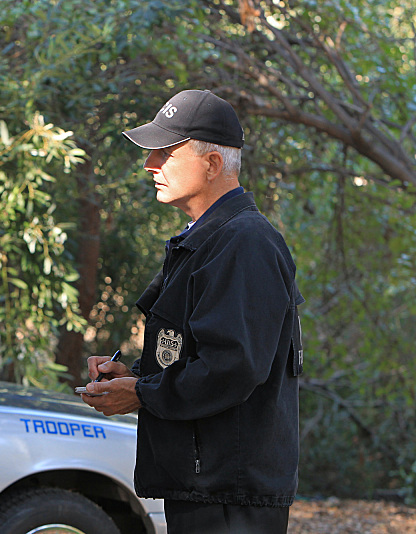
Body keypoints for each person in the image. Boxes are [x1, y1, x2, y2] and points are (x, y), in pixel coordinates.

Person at [80, 89, 304, 534]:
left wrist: (143, 395)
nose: (150, 166)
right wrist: (135, 376)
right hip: (206, 488)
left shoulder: (245, 243)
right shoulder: (207, 238)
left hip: (231, 497)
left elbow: (232, 367)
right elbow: (191, 353)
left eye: (165, 153)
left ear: (212, 164)